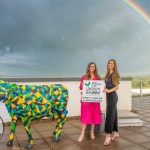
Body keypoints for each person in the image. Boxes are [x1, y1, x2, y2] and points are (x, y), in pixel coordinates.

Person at [78, 62, 102, 142]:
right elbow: (80, 87)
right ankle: (82, 133)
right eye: (91, 66)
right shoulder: (84, 76)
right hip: (86, 101)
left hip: (95, 101)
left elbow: (100, 88)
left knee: (94, 116)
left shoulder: (98, 77)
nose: (92, 67)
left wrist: (103, 88)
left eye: (93, 66)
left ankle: (92, 132)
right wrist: (82, 83)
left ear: (95, 68)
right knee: (85, 116)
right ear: (88, 67)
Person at [103, 59, 120, 146]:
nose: (110, 64)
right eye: (109, 63)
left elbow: (117, 87)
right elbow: (106, 86)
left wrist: (109, 91)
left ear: (114, 65)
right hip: (108, 97)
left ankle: (108, 135)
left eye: (112, 63)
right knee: (113, 114)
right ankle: (115, 132)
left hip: (113, 96)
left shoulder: (115, 74)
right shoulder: (107, 74)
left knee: (110, 115)